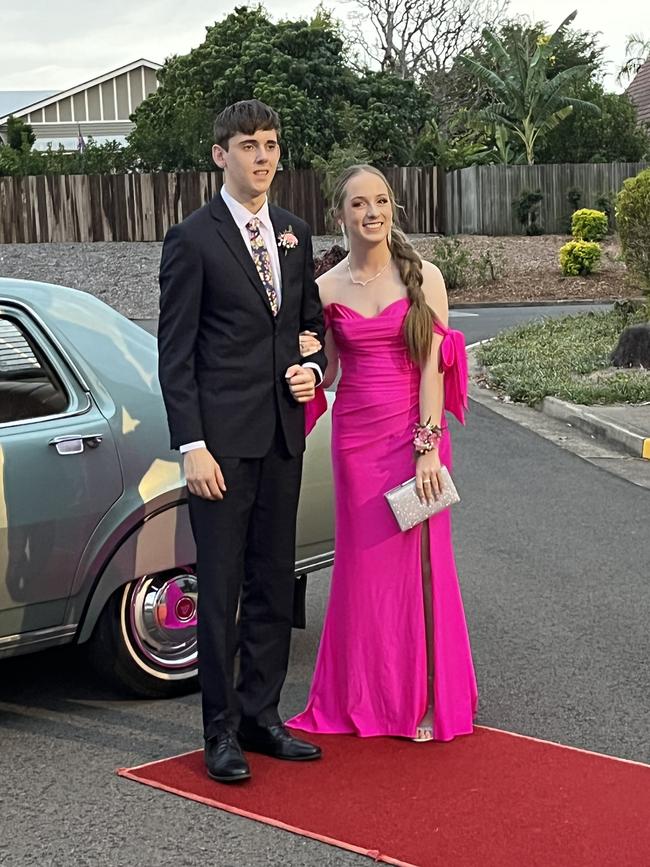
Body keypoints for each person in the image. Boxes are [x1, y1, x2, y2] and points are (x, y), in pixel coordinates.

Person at [157, 99, 328, 782]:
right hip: (220, 449)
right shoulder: (192, 240)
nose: (263, 156)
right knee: (221, 590)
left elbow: (309, 323)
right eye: (249, 144)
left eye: (272, 143)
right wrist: (191, 444)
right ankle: (219, 731)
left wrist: (312, 369)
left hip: (284, 437)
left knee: (271, 586)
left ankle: (262, 716)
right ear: (219, 155)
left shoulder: (294, 232)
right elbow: (175, 357)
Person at [289, 165, 478, 741]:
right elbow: (329, 373)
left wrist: (427, 450)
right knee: (364, 573)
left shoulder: (424, 277)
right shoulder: (324, 290)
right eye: (358, 204)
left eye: (381, 202)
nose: (371, 213)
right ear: (339, 215)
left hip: (413, 437)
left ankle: (422, 699)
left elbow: (433, 368)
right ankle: (364, 695)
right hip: (355, 442)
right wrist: (304, 362)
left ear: (392, 208)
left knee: (421, 567)